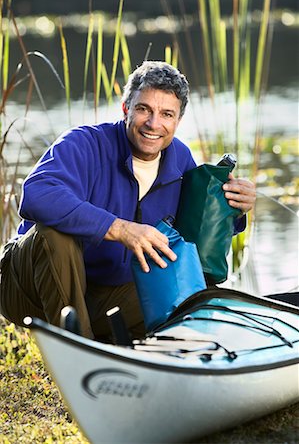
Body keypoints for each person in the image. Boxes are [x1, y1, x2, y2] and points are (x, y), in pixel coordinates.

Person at [0, 61, 256, 341]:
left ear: (178, 121)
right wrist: (120, 229)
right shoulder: (84, 143)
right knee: (55, 234)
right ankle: (79, 354)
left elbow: (193, 237)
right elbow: (37, 196)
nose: (153, 123)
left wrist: (232, 206)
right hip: (27, 289)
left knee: (193, 287)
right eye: (144, 109)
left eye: (166, 114)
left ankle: (167, 359)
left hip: (102, 297)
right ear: (126, 109)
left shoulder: (180, 160)